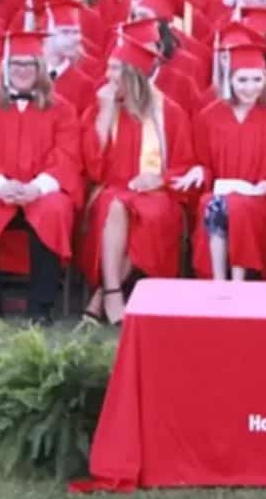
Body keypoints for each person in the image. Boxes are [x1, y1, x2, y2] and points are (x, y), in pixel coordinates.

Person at [0, 31, 82, 323]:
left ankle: (41, 306)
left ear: (40, 68)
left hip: (41, 190)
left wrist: (37, 188)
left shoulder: (62, 109)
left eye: (29, 65)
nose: (22, 71)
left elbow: (67, 155)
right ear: (5, 68)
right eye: (16, 64)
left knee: (54, 211)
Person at [78, 36, 199, 324]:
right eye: (108, 67)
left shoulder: (169, 112)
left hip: (157, 193)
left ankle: (101, 297)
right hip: (112, 188)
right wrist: (105, 115)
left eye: (116, 69)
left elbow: (184, 164)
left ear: (133, 75)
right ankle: (112, 292)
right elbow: (92, 168)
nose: (108, 76)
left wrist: (158, 178)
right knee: (115, 205)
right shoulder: (101, 107)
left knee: (149, 215)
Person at [191, 43, 266, 281]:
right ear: (229, 80)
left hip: (262, 199)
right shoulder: (209, 116)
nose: (250, 88)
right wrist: (200, 171)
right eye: (242, 80)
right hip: (221, 193)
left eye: (256, 80)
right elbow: (203, 162)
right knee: (215, 203)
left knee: (235, 206)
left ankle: (236, 284)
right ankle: (219, 281)